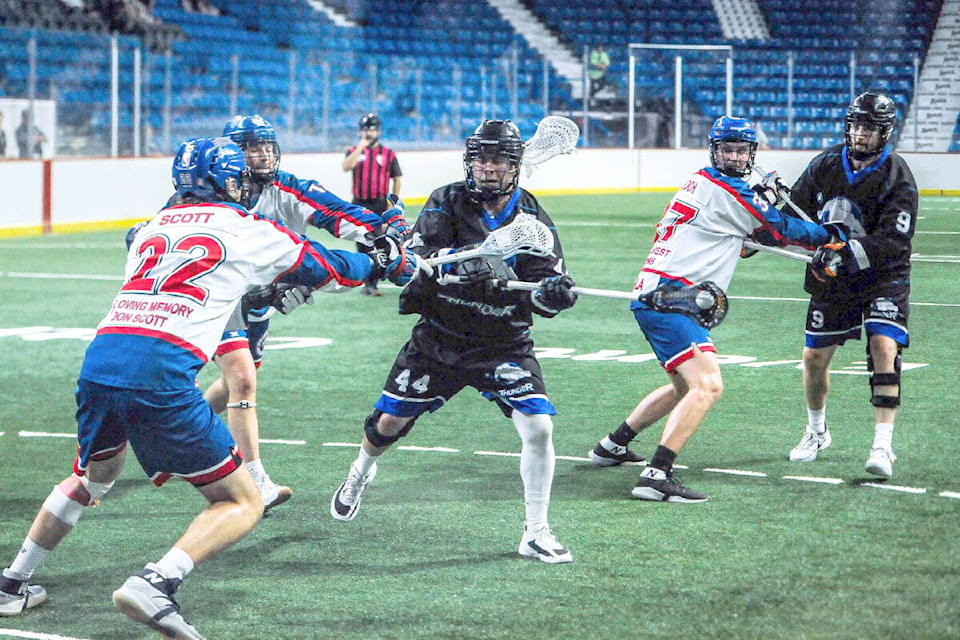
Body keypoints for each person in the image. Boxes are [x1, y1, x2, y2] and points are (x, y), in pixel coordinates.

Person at [0, 137, 417, 635]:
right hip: (160, 374)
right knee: (242, 502)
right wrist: (385, 262)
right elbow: (331, 269)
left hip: (100, 363)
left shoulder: (152, 224)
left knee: (94, 476)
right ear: (226, 182)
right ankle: (158, 582)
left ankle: (11, 583)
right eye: (238, 177)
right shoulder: (246, 227)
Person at [329, 120, 578, 563]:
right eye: (481, 159)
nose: (487, 168)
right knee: (387, 425)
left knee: (539, 427)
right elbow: (423, 261)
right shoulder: (447, 200)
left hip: (502, 342)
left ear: (515, 165)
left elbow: (544, 289)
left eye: (498, 159)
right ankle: (359, 473)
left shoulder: (533, 215)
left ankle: (536, 531)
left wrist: (553, 294)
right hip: (440, 337)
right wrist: (471, 270)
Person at [586, 116, 841, 503]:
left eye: (741, 150)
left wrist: (762, 203)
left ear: (750, 152)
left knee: (684, 387)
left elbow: (749, 236)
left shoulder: (705, 182)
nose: (735, 156)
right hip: (673, 298)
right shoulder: (726, 188)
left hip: (660, 293)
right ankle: (656, 475)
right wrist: (830, 235)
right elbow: (777, 230)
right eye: (728, 149)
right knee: (708, 385)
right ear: (714, 150)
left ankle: (612, 445)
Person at [203, 114, 410, 511]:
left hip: (257, 298)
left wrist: (384, 234)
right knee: (242, 379)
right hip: (211, 296)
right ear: (233, 152)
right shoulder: (212, 190)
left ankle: (176, 425)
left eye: (267, 145)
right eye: (251, 146)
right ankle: (254, 481)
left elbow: (338, 213)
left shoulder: (287, 187)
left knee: (238, 380)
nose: (263, 154)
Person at [786, 92, 917, 479]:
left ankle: (882, 444)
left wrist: (846, 251)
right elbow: (795, 210)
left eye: (870, 129)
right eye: (857, 125)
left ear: (885, 133)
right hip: (831, 278)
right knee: (814, 359)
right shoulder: (825, 164)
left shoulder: (898, 175)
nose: (861, 134)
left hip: (883, 275)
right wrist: (763, 235)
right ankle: (816, 431)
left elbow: (894, 240)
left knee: (883, 345)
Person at [342, 112, 403, 296]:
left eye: (371, 129)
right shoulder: (354, 151)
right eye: (364, 129)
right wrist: (361, 146)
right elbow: (346, 166)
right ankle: (369, 282)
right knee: (362, 242)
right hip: (359, 204)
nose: (368, 133)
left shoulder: (388, 154)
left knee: (380, 242)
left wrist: (392, 202)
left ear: (378, 131)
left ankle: (376, 278)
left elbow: (397, 178)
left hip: (379, 203)